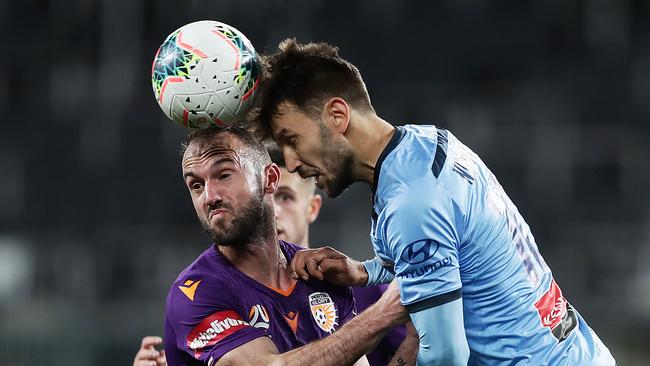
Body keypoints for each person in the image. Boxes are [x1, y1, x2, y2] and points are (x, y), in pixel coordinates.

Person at [254, 38, 617, 365]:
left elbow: (446, 356)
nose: (290, 163)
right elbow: (450, 253)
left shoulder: (411, 203)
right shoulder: (427, 144)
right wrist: (364, 272)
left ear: (337, 115)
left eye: (292, 139)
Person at [138, 126, 412, 366]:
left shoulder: (321, 275)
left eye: (223, 175)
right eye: (196, 185)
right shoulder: (194, 292)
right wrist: (383, 313)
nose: (209, 197)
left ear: (269, 179)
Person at [269, 147, 411, 366]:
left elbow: (418, 345)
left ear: (312, 208)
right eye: (264, 199)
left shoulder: (365, 291)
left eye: (285, 197)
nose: (273, 211)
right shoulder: (233, 296)